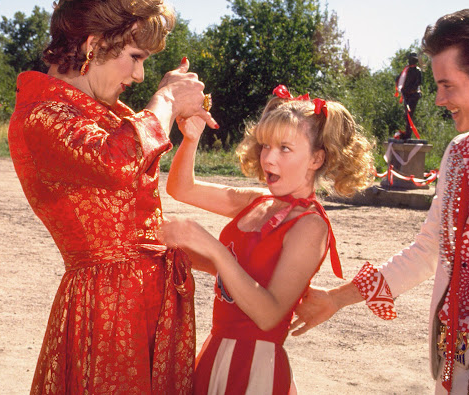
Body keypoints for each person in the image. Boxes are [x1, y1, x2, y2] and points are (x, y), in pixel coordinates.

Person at [291, 8, 469, 394]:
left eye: (447, 85)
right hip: (456, 368)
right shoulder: (458, 154)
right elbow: (427, 251)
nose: (439, 98)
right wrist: (336, 299)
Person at [7, 0, 217, 393]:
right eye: (135, 57)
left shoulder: (99, 113)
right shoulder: (41, 114)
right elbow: (115, 161)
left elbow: (140, 217)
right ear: (94, 44)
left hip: (145, 302)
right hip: (107, 312)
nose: (138, 75)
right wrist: (167, 100)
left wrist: (232, 268)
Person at [158, 85, 374, 394]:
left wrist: (214, 250)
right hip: (215, 351)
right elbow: (182, 189)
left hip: (256, 368)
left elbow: (269, 315)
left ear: (316, 159)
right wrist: (191, 139)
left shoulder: (310, 225)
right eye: (265, 146)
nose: (268, 159)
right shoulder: (258, 200)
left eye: (285, 148)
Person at [395, 52, 423, 140]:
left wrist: (409, 89)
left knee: (410, 113)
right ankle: (407, 133)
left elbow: (418, 83)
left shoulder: (417, 70)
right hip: (406, 95)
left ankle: (408, 134)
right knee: (407, 114)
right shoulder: (406, 70)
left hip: (413, 95)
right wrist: (401, 88)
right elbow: (398, 79)